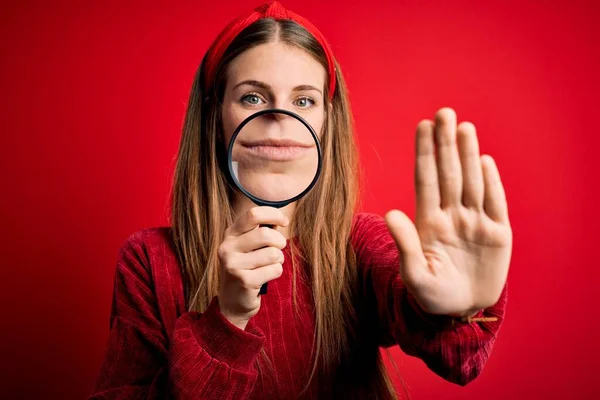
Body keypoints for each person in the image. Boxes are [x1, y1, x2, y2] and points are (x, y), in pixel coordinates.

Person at [89, 1, 512, 399]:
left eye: (303, 100)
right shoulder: (148, 261)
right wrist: (226, 321)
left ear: (327, 121)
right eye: (252, 97)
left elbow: (453, 356)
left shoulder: (359, 245)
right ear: (215, 115)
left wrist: (454, 312)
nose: (277, 118)